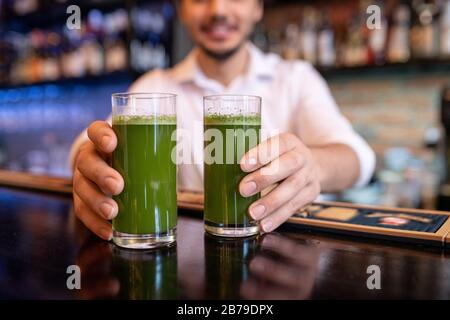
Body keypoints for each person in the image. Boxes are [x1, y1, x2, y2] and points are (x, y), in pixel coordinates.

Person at [70, 0, 375, 241]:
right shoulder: (155, 87)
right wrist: (90, 162)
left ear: (258, 7)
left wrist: (312, 166)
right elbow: (85, 150)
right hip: (186, 258)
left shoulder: (295, 78)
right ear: (182, 9)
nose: (218, 10)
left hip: (277, 252)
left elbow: (358, 156)